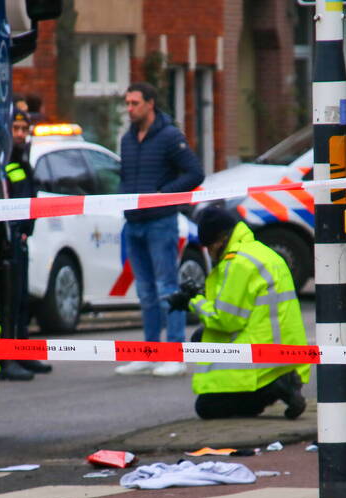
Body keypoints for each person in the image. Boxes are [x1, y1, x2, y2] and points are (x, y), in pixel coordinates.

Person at [167, 207, 309, 419]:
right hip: (281, 351)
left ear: (219, 241)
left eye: (208, 247)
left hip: (262, 357)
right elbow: (243, 303)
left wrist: (193, 302)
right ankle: (275, 385)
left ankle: (276, 386)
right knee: (200, 337)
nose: (209, 253)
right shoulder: (259, 252)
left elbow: (226, 319)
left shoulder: (238, 263)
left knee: (206, 408)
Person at [115, 82, 204, 377]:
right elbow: (125, 177)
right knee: (145, 291)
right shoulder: (128, 140)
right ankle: (150, 352)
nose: (130, 109)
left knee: (168, 287)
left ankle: (175, 354)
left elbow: (194, 173)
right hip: (134, 223)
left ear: (150, 103)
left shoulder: (169, 137)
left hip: (160, 222)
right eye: (127, 103)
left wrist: (164, 194)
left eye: (135, 103)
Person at [0, 110, 52, 380]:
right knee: (11, 300)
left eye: (24, 128)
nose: (20, 134)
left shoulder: (23, 160)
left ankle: (23, 352)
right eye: (15, 128)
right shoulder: (6, 162)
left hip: (22, 239)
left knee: (22, 301)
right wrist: (16, 231)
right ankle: (9, 358)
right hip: (11, 240)